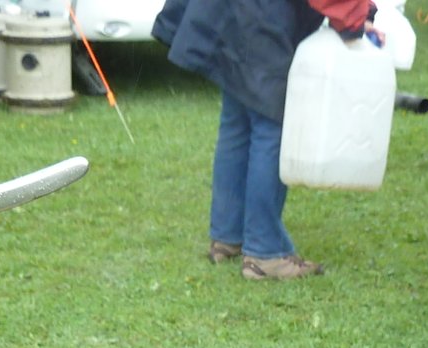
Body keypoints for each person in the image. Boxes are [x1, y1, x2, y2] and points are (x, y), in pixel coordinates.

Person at [154, 0, 373, 281]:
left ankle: (227, 236)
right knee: (271, 123)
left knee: (238, 120)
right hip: (261, 16)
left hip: (230, 11)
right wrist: (356, 16)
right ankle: (265, 253)